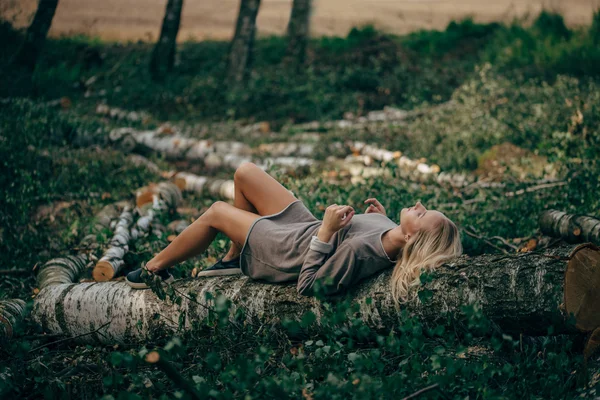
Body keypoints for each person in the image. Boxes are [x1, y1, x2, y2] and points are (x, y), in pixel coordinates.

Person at [126, 162, 462, 304]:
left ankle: (153, 269)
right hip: (303, 228)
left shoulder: (362, 253)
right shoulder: (394, 236)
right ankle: (231, 258)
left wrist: (328, 231)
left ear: (413, 238)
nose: (418, 204)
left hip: (285, 250)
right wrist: (382, 218)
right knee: (244, 173)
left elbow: (309, 286)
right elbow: (384, 239)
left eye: (422, 213)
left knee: (216, 212)